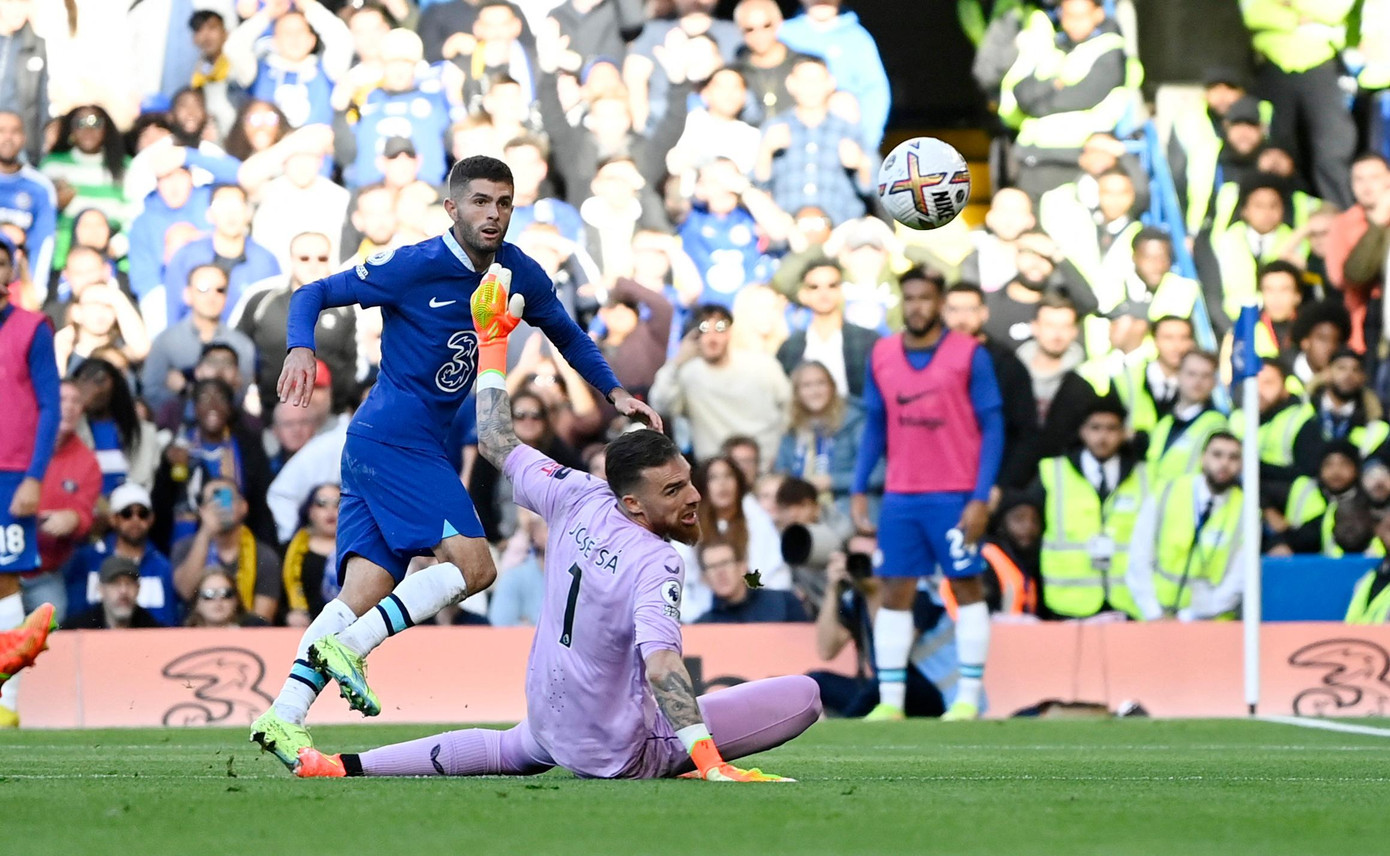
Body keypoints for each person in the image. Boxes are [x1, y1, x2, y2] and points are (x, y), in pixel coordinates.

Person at [292, 302, 815, 782]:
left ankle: (341, 765)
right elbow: (661, 664)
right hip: (621, 750)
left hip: (548, 720)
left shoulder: (576, 492)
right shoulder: (657, 560)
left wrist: (492, 345)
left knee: (507, 750)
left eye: (688, 479)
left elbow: (497, 440)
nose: (694, 497)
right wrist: (709, 760)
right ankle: (675, 757)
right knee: (806, 695)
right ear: (633, 505)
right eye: (674, 490)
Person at [250, 155, 657, 767]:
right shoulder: (413, 265)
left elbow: (567, 334)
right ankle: (353, 648)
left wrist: (614, 391)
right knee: (475, 567)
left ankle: (282, 716)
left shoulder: (518, 269)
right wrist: (300, 347)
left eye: (503, 203)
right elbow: (312, 291)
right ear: (452, 207)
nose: (492, 214)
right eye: (480, 202)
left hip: (387, 444)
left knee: (363, 590)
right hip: (395, 439)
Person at [850, 267, 1004, 721]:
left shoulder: (969, 354)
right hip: (901, 494)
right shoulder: (882, 354)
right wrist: (860, 486)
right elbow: (875, 424)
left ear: (939, 303)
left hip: (955, 493)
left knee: (967, 585)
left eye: (925, 298)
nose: (917, 306)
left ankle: (968, 697)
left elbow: (993, 426)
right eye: (910, 298)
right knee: (895, 588)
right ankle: (891, 702)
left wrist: (979, 497)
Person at [0, 231, 59, 726]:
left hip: (10, 471)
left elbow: (50, 405)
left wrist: (35, 476)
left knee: (5, 579)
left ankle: (7, 706)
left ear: (11, 273)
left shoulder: (32, 327)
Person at [808, 532, 955, 718]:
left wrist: (875, 592)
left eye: (870, 558)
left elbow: (894, 651)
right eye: (857, 559)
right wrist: (833, 588)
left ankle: (845, 727)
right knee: (815, 682)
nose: (865, 566)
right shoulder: (856, 598)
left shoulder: (917, 594)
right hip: (883, 689)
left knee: (881, 684)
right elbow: (826, 650)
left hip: (935, 692)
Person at [1028, 398, 1147, 620]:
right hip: (1066, 603)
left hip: (1128, 601)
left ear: (1123, 433)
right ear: (1082, 431)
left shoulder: (1145, 477)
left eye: (1111, 429)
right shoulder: (1052, 473)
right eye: (1095, 428)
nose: (1103, 437)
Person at [1240, 0, 1356, 209]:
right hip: (1272, 67)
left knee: (1331, 151)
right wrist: (1298, 18)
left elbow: (1334, 11)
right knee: (1276, 151)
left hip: (1323, 66)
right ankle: (1282, 216)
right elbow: (1252, 13)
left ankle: (1339, 213)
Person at [650, 304, 792, 465]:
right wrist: (677, 362)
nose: (712, 337)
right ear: (694, 335)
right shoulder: (687, 374)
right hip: (715, 472)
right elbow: (661, 406)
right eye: (704, 328)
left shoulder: (763, 365)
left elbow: (790, 407)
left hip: (766, 466)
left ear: (730, 332)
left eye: (720, 327)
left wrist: (780, 455)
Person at [1126, 433, 1247, 621]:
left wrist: (1188, 617)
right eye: (1217, 455)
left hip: (1210, 623)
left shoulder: (1246, 510)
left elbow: (1238, 579)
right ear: (1202, 457)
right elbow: (1139, 554)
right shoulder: (1167, 491)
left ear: (1241, 465)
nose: (1224, 463)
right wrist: (1153, 612)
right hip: (1155, 616)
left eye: (1233, 457)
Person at [942, 281, 1041, 489]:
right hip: (941, 483)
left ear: (984, 313)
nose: (962, 318)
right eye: (954, 309)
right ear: (943, 312)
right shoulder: (928, 362)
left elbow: (1025, 433)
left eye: (970, 309)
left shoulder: (1007, 364)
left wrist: (1001, 487)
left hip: (993, 483)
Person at [27, 379, 102, 617]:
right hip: (5, 567)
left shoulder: (87, 461)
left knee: (54, 629)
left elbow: (85, 515)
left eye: (75, 401)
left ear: (82, 411)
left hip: (46, 571)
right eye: (62, 400)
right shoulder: (16, 443)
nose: (68, 407)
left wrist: (74, 519)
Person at [60, 482, 178, 629]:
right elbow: (74, 616)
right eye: (126, 513)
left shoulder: (162, 566)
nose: (135, 520)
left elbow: (169, 622)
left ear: (151, 519)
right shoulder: (86, 559)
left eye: (142, 514)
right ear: (113, 519)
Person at [169, 477, 282, 623]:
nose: (220, 507)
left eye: (226, 499)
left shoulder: (264, 556)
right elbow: (186, 591)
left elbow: (262, 620)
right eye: (213, 500)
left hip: (244, 636)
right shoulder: (184, 547)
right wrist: (206, 532)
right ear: (201, 510)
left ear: (243, 506)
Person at [775, 361, 878, 515]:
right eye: (807, 385)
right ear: (797, 393)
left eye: (821, 383)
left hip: (846, 507)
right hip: (799, 508)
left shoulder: (856, 421)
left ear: (832, 387)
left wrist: (832, 481)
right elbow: (781, 473)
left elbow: (879, 473)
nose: (815, 391)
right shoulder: (792, 430)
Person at [775, 258, 878, 401]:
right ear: (803, 295)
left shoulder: (868, 342)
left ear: (842, 291)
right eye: (814, 287)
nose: (824, 293)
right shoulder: (790, 347)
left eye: (832, 285)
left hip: (856, 420)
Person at [1145, 350, 1226, 483]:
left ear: (1214, 382)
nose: (1198, 381)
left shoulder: (1218, 425)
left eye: (1205, 376)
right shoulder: (1164, 422)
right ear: (1178, 375)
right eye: (1191, 374)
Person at [0, 112, 57, 293]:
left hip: (17, 289)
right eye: (1, 131)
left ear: (24, 138)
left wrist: (35, 290)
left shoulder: (40, 187)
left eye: (15, 131)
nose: (8, 137)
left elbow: (44, 241)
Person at [694, 538, 810, 624]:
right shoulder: (702, 627)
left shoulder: (784, 603)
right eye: (712, 567)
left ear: (742, 567)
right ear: (705, 578)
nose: (720, 572)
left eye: (725, 563)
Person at [280, 484, 341, 627]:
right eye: (322, 504)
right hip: (302, 631)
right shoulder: (288, 551)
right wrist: (289, 615)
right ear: (310, 511)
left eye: (338, 503)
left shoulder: (362, 549)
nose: (330, 511)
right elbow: (279, 597)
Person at [59, 556, 164, 630]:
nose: (123, 591)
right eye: (115, 584)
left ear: (138, 588)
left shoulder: (152, 628)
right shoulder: (77, 627)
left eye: (129, 584)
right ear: (100, 589)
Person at [185, 568, 270, 628]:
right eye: (209, 594)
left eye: (225, 594)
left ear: (236, 599)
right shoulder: (183, 638)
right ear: (196, 602)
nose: (218, 600)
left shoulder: (257, 629)